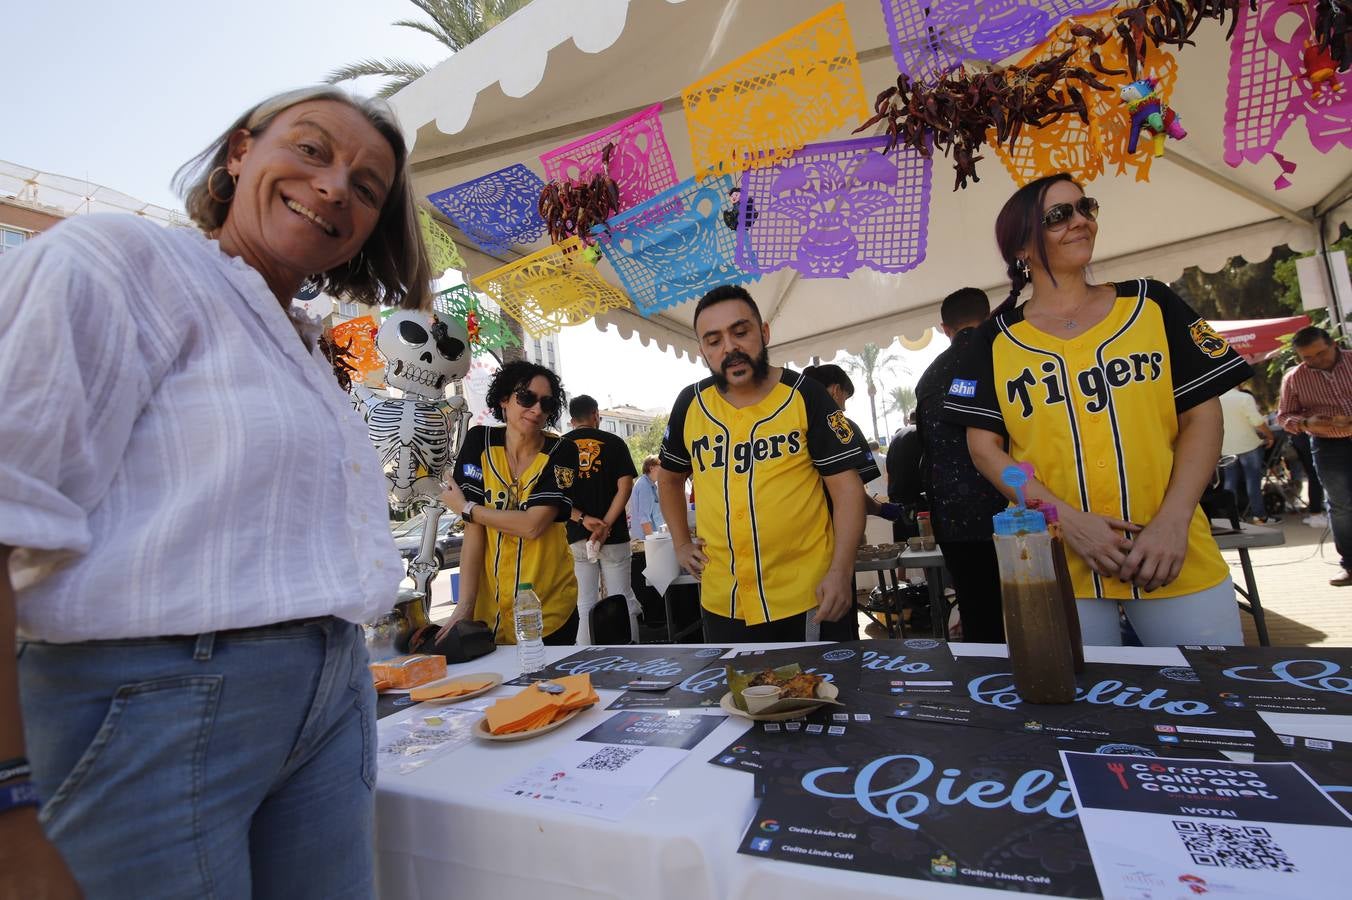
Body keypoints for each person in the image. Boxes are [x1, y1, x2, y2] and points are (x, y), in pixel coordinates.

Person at [1, 86, 430, 899]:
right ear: (239, 152)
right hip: (153, 708)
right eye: (312, 150)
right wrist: (6, 807)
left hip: (334, 695)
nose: (335, 186)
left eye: (367, 187)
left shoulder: (301, 347)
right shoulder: (123, 259)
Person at [945, 173, 1251, 647]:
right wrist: (1062, 519)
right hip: (1056, 562)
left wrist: (1173, 522)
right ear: (1021, 247)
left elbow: (1202, 417)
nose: (1080, 221)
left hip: (1171, 551)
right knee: (1074, 695)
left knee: (1213, 688)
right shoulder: (992, 340)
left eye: (1085, 207)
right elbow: (987, 451)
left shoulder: (1152, 303)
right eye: (1057, 215)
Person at [657, 285, 869, 642]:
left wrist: (840, 570)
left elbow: (847, 489)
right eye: (714, 341)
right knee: (736, 682)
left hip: (809, 594)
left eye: (740, 332)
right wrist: (680, 543)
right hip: (725, 599)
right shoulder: (690, 404)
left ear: (764, 332)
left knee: (821, 680)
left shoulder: (805, 395)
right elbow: (669, 479)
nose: (730, 348)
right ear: (702, 351)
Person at [437, 361, 581, 642]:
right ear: (504, 398)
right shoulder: (479, 442)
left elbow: (533, 525)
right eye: (526, 398)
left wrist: (466, 508)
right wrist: (464, 606)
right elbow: (474, 530)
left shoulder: (562, 451)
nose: (536, 409)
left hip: (549, 610)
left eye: (546, 403)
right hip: (489, 613)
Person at [914, 287, 1010, 642]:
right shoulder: (1002, 356)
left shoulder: (929, 377)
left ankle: (985, 675)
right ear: (989, 316)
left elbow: (927, 450)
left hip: (954, 520)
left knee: (978, 615)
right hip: (1012, 508)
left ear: (945, 328)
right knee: (1030, 608)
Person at [1277, 326, 1352, 586]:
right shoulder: (1294, 378)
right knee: (1341, 505)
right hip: (1328, 445)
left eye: (1321, 353)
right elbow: (1284, 416)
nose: (1316, 360)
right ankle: (1350, 565)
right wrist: (1307, 422)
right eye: (1307, 357)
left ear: (1333, 344)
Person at [562, 394, 641, 643]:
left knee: (584, 602)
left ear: (572, 419)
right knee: (623, 597)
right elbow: (625, 487)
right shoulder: (615, 443)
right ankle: (633, 653)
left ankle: (586, 656)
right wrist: (605, 525)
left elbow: (556, 496)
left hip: (576, 534)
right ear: (596, 414)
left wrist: (583, 519)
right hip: (614, 536)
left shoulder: (559, 447)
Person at [801, 364, 889, 517]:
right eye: (846, 398)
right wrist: (882, 509)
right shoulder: (843, 427)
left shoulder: (788, 426)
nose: (844, 408)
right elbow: (853, 493)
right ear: (836, 390)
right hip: (836, 523)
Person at [1219, 385, 1278, 524]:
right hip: (1248, 444)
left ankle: (1230, 517)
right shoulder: (1244, 397)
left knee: (1230, 482)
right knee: (1253, 481)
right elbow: (1257, 421)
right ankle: (1260, 516)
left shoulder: (1216, 400)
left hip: (1227, 446)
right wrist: (1270, 435)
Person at [628, 456, 665, 536]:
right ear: (651, 468)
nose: (664, 470)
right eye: (661, 466)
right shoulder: (645, 485)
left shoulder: (648, 484)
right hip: (646, 539)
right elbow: (644, 518)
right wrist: (651, 540)